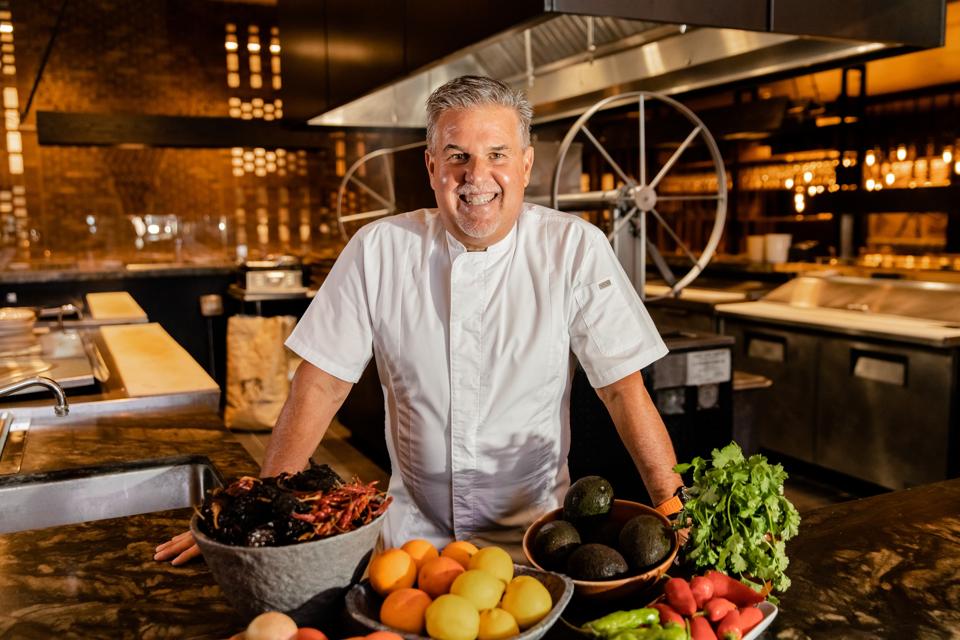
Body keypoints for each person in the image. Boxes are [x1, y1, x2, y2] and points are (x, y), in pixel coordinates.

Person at [156, 75, 681, 565]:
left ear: (525, 165)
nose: (477, 176)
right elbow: (319, 387)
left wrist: (675, 509)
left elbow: (622, 390)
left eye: (496, 154)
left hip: (538, 542)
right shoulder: (379, 249)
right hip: (411, 546)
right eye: (458, 157)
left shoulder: (574, 248)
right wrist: (256, 519)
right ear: (431, 167)